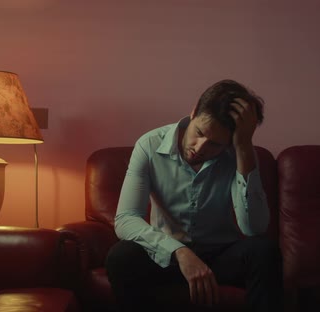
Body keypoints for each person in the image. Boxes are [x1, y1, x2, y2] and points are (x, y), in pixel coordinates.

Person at [105, 79, 283, 312]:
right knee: (121, 256)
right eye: (199, 132)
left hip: (220, 257)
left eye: (215, 145)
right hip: (166, 257)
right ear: (193, 111)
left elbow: (254, 228)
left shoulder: (239, 155)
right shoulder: (149, 145)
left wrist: (243, 147)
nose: (199, 148)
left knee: (264, 252)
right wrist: (179, 252)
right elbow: (126, 219)